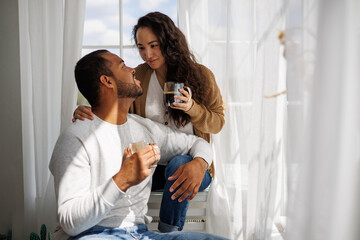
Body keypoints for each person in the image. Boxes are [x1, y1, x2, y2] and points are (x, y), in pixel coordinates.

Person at [72, 11, 225, 233]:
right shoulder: (141, 75)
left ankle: (167, 233)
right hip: (152, 168)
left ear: (169, 42)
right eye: (142, 48)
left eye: (153, 45)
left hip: (194, 165)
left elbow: (218, 123)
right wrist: (91, 111)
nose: (148, 54)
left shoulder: (201, 75)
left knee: (178, 163)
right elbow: (118, 109)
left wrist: (192, 109)